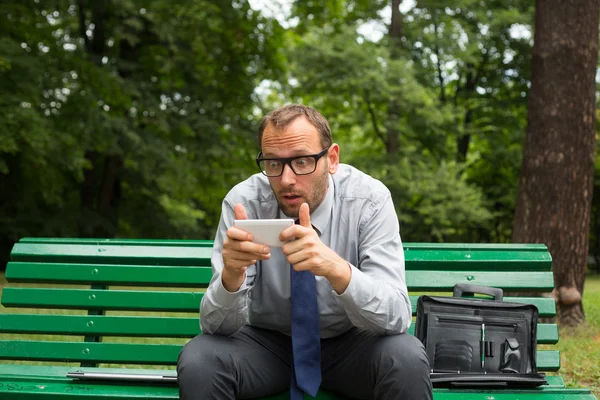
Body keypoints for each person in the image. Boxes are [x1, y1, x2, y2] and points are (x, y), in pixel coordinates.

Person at [177, 104, 432, 399]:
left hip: (351, 345)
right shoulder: (244, 202)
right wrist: (231, 277)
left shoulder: (369, 201)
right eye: (273, 163)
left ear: (332, 159)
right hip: (267, 346)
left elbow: (397, 316)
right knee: (201, 359)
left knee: (405, 356)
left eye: (301, 161)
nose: (286, 179)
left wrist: (337, 269)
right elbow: (214, 327)